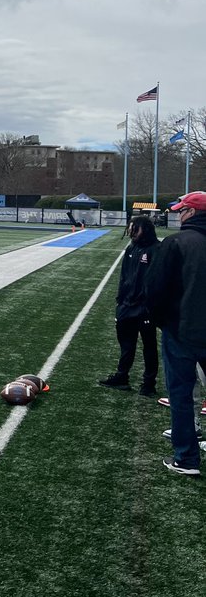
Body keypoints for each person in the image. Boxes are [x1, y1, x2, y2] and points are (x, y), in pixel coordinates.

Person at [145, 191, 206, 476]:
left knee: (181, 395)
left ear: (191, 214)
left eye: (182, 210)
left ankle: (186, 458)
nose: (178, 214)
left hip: (182, 331)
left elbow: (155, 290)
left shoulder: (176, 243)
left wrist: (162, 322)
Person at [98, 214, 159, 395]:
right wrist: (120, 300)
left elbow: (158, 281)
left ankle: (148, 384)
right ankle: (122, 377)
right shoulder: (131, 248)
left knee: (149, 346)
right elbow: (124, 277)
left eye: (135, 229)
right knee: (126, 344)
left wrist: (151, 305)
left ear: (145, 230)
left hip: (145, 309)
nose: (131, 232)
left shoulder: (156, 249)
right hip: (126, 306)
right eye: (130, 228)